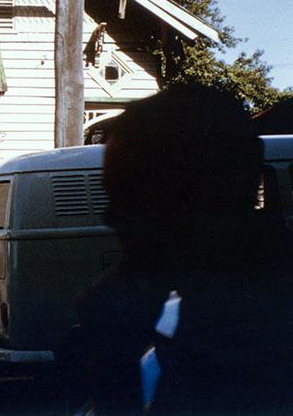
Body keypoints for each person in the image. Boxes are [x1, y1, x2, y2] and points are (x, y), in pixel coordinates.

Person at [64, 84, 293, 412]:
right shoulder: (195, 312)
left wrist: (115, 364)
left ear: (193, 201)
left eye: (127, 197)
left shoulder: (250, 345)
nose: (110, 216)